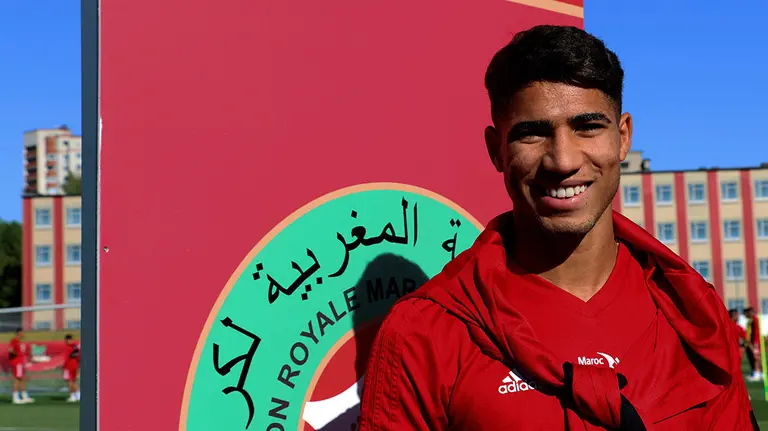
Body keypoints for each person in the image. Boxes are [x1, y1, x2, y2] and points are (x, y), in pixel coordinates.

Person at [358, 25, 756, 430]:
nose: (562, 161)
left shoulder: (692, 312)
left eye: (587, 127)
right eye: (533, 133)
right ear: (496, 149)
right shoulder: (425, 334)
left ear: (622, 138)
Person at [8, 328, 34, 404]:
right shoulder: (14, 340)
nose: (23, 334)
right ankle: (15, 398)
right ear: (18, 333)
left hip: (21, 363)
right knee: (17, 380)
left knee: (23, 379)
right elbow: (10, 350)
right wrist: (18, 355)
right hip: (17, 363)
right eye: (22, 332)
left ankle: (24, 396)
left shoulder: (20, 341)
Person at [744, 307, 763, 382]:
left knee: (756, 357)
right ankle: (760, 373)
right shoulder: (752, 320)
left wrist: (755, 343)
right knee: (756, 357)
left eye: (746, 313)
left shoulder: (755, 320)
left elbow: (756, 333)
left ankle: (757, 373)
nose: (745, 315)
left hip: (756, 342)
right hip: (755, 341)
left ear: (750, 312)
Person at [62, 334, 81, 402]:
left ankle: (72, 395)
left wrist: (64, 366)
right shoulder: (75, 346)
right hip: (74, 366)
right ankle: (78, 395)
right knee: (73, 381)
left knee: (70, 381)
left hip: (69, 367)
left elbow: (69, 358)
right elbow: (77, 357)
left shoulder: (70, 347)